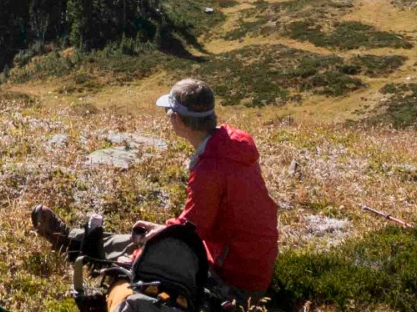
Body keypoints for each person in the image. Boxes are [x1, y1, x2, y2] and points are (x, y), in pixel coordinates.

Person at [31, 77, 280, 296]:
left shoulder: (210, 168)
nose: (168, 117)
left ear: (179, 119)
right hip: (246, 263)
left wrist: (151, 244)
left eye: (169, 112)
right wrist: (164, 230)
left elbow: (190, 233)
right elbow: (198, 224)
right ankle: (75, 239)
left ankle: (81, 247)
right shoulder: (231, 144)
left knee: (151, 251)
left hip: (232, 279)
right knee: (149, 237)